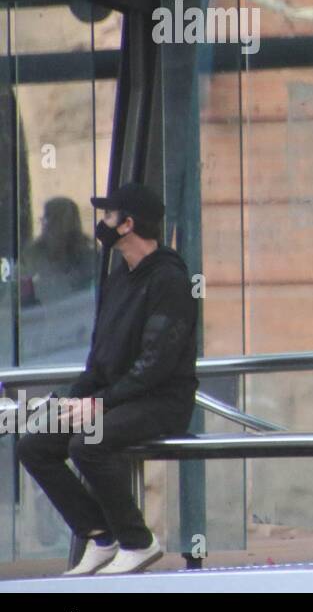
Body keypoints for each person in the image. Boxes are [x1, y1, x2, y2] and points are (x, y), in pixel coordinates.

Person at [17, 182, 198, 575]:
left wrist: (100, 404)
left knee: (89, 441)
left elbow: (156, 365)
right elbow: (100, 355)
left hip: (160, 402)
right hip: (114, 399)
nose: (102, 223)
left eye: (109, 216)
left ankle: (138, 542)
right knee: (34, 445)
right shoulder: (120, 277)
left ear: (128, 224)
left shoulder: (168, 279)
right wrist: (76, 398)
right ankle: (100, 535)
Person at [26, 197, 96, 304]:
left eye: (54, 219)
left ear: (70, 223)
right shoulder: (35, 253)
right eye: (46, 218)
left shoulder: (90, 256)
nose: (47, 225)